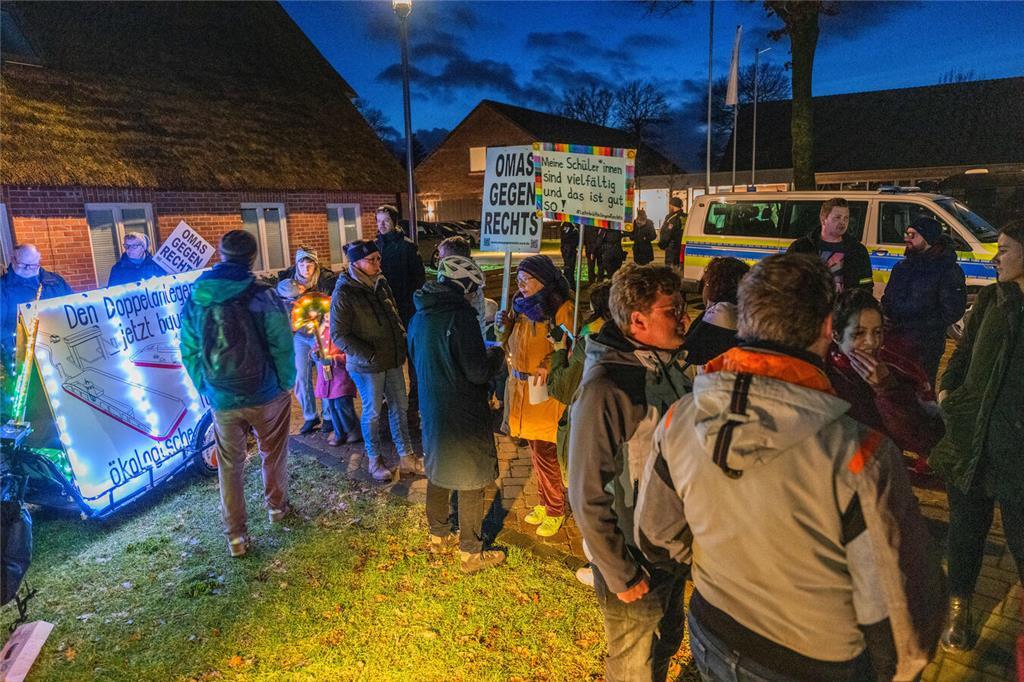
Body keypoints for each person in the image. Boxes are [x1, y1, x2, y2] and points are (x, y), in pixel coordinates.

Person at [637, 253, 944, 681]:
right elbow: (902, 617)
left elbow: (655, 535)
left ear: (743, 322)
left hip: (712, 630)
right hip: (814, 661)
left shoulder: (679, 418)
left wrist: (724, 568)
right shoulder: (860, 454)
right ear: (826, 328)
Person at [568, 264, 691, 682]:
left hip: (670, 551)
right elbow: (585, 492)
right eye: (672, 310)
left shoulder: (667, 367)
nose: (685, 318)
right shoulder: (607, 388)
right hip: (634, 558)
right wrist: (620, 571)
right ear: (637, 321)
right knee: (632, 664)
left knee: (669, 637)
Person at [930, 220, 1024, 653]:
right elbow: (963, 353)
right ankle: (959, 608)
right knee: (965, 531)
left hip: (1016, 450)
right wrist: (949, 390)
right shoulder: (991, 298)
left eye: (1004, 248)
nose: (996, 256)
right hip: (971, 438)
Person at [179, 230, 296, 558]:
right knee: (273, 453)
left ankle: (237, 537)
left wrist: (203, 386)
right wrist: (286, 381)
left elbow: (187, 347)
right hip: (266, 391)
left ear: (222, 254)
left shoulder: (198, 295)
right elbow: (281, 343)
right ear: (252, 257)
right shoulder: (262, 294)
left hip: (222, 396)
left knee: (230, 466)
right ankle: (277, 508)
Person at [408, 255, 507, 573]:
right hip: (463, 411)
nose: (475, 295)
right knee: (471, 479)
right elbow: (478, 372)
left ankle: (438, 535)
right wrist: (497, 354)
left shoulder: (420, 315)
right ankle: (470, 553)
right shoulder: (460, 318)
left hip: (433, 407)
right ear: (464, 284)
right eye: (474, 288)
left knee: (438, 471)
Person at [330, 240, 423, 482]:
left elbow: (393, 316)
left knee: (399, 406)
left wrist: (401, 340)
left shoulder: (381, 283)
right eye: (372, 260)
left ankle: (407, 456)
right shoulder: (345, 292)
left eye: (378, 258)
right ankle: (374, 459)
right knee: (372, 411)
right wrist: (368, 353)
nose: (377, 264)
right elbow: (339, 334)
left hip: (391, 358)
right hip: (367, 365)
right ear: (356, 263)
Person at [497, 255, 574, 538]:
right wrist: (503, 327)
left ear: (543, 280)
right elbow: (508, 343)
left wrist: (549, 363)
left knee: (547, 454)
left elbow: (570, 349)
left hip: (545, 393)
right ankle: (544, 501)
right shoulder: (519, 308)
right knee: (536, 452)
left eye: (525, 279)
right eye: (518, 278)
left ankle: (555, 508)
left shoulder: (562, 309)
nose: (520, 284)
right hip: (523, 393)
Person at [826, 288, 946, 455]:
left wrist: (887, 388)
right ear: (836, 335)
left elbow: (925, 438)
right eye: (859, 333)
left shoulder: (898, 369)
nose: (871, 342)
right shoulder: (822, 372)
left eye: (877, 332)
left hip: (880, 472)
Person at [881, 216, 967, 384]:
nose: (907, 238)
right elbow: (888, 298)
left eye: (913, 235)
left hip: (925, 347)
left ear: (928, 238)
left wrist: (918, 327)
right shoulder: (902, 267)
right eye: (907, 234)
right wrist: (884, 315)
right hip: (895, 342)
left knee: (922, 392)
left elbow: (952, 311)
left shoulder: (947, 270)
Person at [277, 246, 338, 435]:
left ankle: (328, 415)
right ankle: (310, 416)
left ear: (316, 264)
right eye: (302, 263)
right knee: (301, 376)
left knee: (325, 373)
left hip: (321, 333)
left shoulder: (326, 281)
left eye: (310, 263)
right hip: (299, 336)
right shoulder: (288, 282)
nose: (306, 268)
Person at [1, 244, 73, 385]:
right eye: (23, 265)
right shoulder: (3, 287)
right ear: (13, 259)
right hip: (24, 357)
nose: (28, 269)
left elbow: (71, 307)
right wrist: (13, 349)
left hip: (59, 348)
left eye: (33, 265)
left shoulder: (55, 281)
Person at [786, 197, 873, 293]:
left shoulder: (858, 251)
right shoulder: (801, 248)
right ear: (823, 219)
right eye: (837, 217)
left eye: (846, 218)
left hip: (844, 307)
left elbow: (866, 286)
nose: (842, 222)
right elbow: (786, 282)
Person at [683, 256, 749, 367]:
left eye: (706, 283)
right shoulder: (742, 309)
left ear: (714, 285)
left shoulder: (722, 312)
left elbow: (691, 353)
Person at [313, 321, 359, 446]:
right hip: (327, 377)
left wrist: (334, 359)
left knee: (342, 403)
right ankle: (339, 433)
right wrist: (315, 354)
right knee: (332, 406)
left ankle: (353, 430)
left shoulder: (343, 331)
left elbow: (350, 354)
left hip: (340, 376)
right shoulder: (322, 330)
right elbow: (317, 347)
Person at [437, 236, 486, 334]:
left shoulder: (469, 289)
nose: (439, 261)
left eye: (443, 258)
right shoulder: (469, 284)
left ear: (456, 260)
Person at [657, 197, 686, 267]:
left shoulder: (672, 218)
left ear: (672, 205)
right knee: (678, 265)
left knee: (669, 268)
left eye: (670, 205)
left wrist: (662, 244)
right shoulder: (685, 216)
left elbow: (668, 233)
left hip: (672, 247)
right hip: (681, 245)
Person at [559, 221, 580, 288]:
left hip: (568, 249)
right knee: (569, 268)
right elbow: (565, 237)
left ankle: (569, 285)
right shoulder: (568, 225)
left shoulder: (569, 225)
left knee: (569, 268)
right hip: (569, 249)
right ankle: (570, 285)